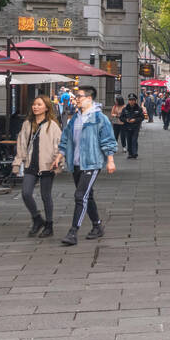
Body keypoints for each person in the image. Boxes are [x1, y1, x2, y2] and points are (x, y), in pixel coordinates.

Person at [54, 85, 116, 246]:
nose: (76, 99)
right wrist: (59, 155)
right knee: (87, 196)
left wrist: (110, 160)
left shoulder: (100, 118)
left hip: (92, 162)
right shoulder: (75, 118)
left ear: (89, 98)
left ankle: (73, 232)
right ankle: (97, 226)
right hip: (75, 163)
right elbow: (66, 138)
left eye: (79, 96)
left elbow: (108, 140)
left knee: (80, 196)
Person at [12, 95, 61, 238]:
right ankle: (37, 218)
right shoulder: (27, 124)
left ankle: (49, 225)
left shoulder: (52, 125)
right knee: (26, 193)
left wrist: (58, 162)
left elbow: (59, 145)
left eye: (39, 104)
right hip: (31, 163)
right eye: (34, 104)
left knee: (46, 196)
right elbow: (21, 144)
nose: (35, 107)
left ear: (46, 107)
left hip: (47, 165)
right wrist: (17, 163)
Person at [120, 94, 145, 159]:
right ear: (128, 101)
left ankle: (135, 153)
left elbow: (142, 117)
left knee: (134, 139)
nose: (131, 101)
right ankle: (130, 153)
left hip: (135, 127)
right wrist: (126, 120)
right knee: (129, 140)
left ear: (135, 101)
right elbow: (121, 117)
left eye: (133, 100)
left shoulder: (139, 109)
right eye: (130, 100)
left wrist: (135, 120)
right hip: (127, 127)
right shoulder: (125, 109)